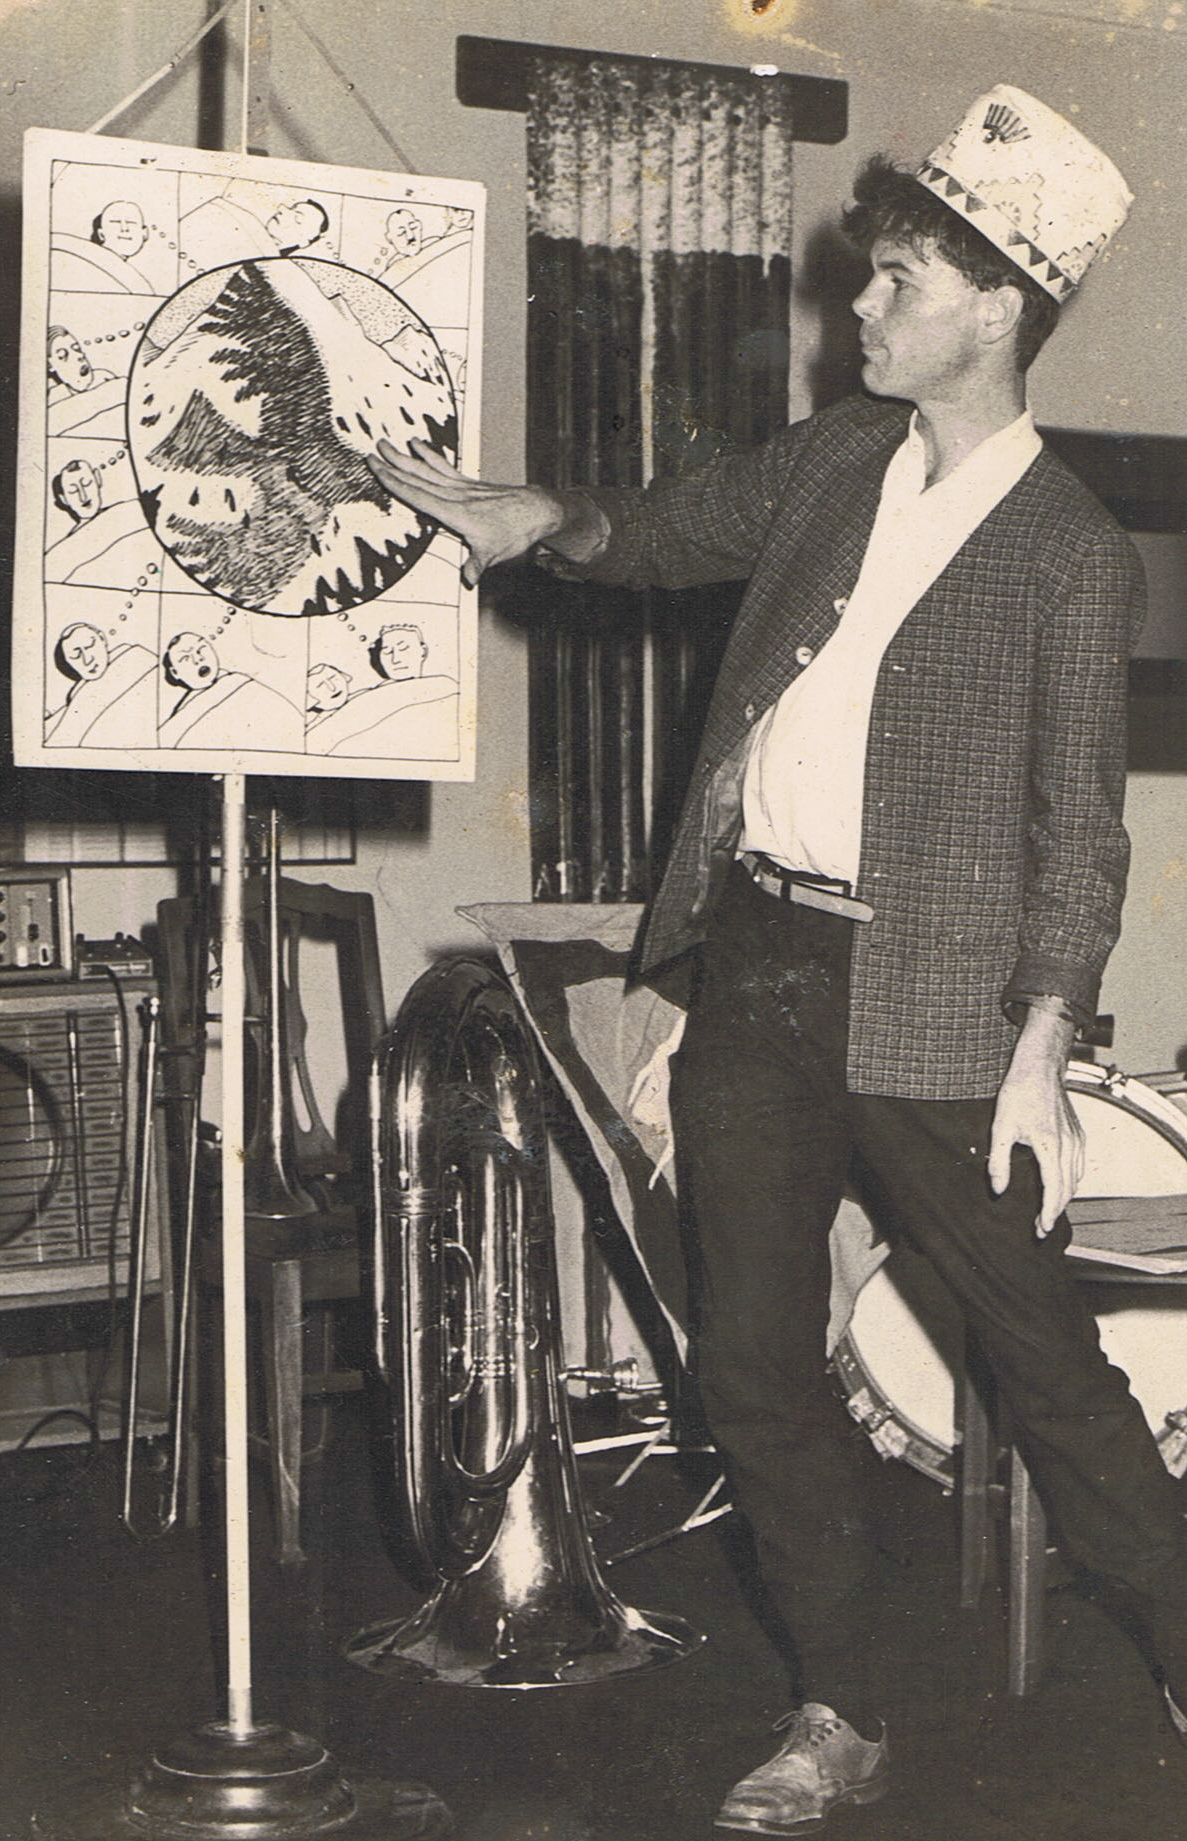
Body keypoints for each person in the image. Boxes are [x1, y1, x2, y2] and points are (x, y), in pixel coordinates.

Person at [368, 84, 1187, 1835]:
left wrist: (1044, 1039)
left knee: (1039, 1357)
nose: (858, 311)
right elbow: (658, 531)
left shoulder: (1067, 555)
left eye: (894, 284)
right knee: (747, 1356)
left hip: (951, 1011)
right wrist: (539, 515)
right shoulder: (831, 463)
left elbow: (1081, 831)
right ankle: (841, 1704)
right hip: (760, 966)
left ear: (995, 308)